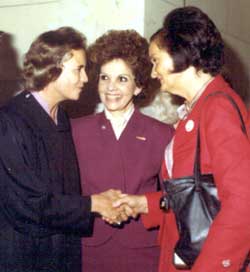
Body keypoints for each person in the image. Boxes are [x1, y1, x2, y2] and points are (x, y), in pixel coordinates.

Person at [114, 6, 250, 272]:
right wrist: (145, 204)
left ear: (181, 52)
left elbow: (243, 201)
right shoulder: (199, 108)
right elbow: (199, 190)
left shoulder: (217, 107)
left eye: (155, 60)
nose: (153, 73)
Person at [0, 26, 126, 272]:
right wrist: (93, 204)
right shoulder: (10, 121)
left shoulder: (61, 118)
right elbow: (27, 205)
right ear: (51, 69)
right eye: (78, 70)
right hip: (25, 257)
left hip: (62, 254)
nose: (86, 79)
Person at [71, 29, 173, 272]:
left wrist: (140, 204)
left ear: (138, 86)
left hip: (143, 251)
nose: (111, 88)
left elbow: (175, 199)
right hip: (89, 248)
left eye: (122, 79)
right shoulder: (74, 130)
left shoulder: (163, 134)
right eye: (105, 78)